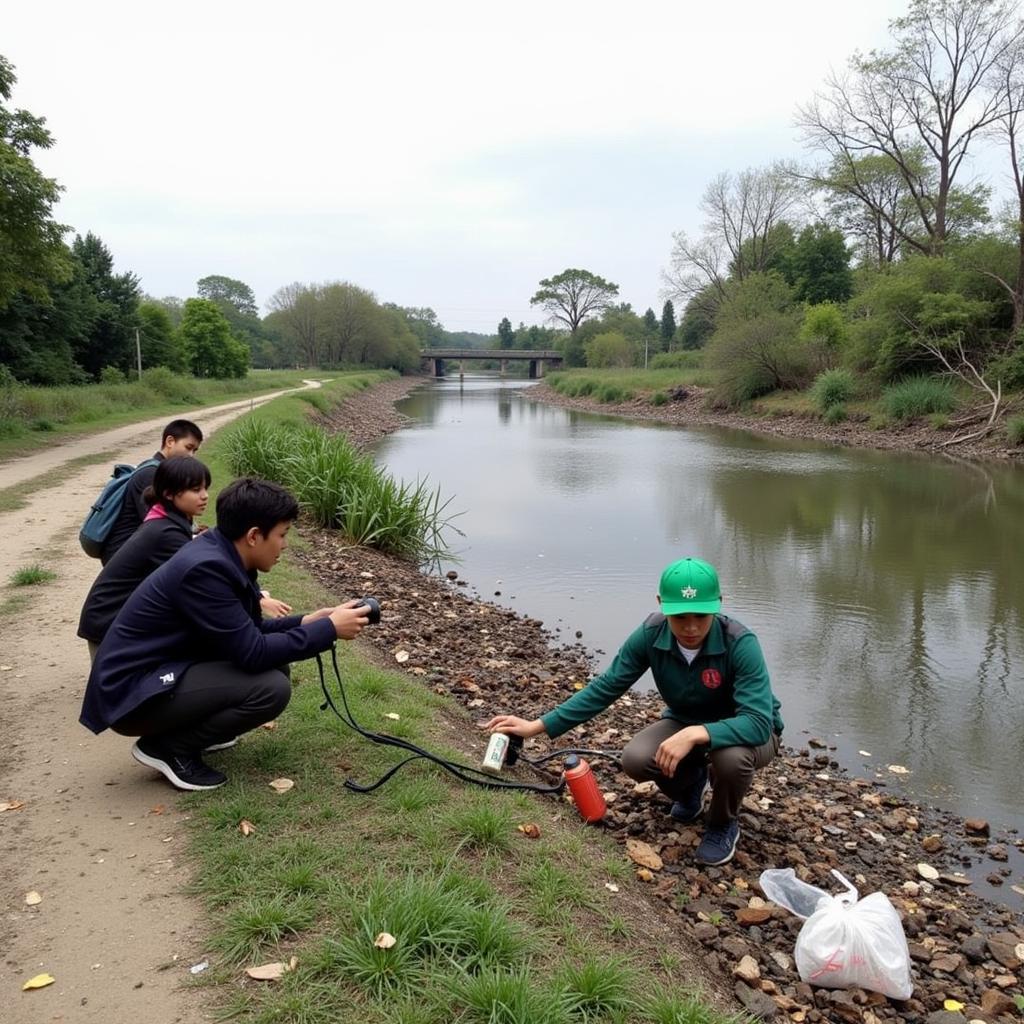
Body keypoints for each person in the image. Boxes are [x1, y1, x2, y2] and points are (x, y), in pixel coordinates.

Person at [80, 477, 373, 792]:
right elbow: (253, 651)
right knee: (270, 687)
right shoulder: (206, 570)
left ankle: (192, 734)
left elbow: (244, 632)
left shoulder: (223, 553)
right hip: (131, 694)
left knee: (275, 668)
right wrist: (328, 629)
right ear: (253, 536)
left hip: (157, 672)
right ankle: (168, 748)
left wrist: (307, 622)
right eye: (282, 535)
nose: (285, 545)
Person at [485, 558, 783, 867]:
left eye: (701, 615)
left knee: (730, 759)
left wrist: (698, 733)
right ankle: (691, 789)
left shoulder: (740, 643)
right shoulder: (651, 633)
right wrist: (536, 726)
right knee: (636, 759)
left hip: (748, 731)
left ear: (718, 605)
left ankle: (722, 823)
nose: (691, 626)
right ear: (660, 604)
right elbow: (606, 686)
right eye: (680, 616)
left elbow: (759, 723)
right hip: (685, 721)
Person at [99, 418, 204, 565]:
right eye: (188, 447)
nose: (191, 455)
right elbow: (157, 523)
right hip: (124, 553)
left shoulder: (159, 471)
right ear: (170, 441)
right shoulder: (152, 474)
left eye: (195, 450)